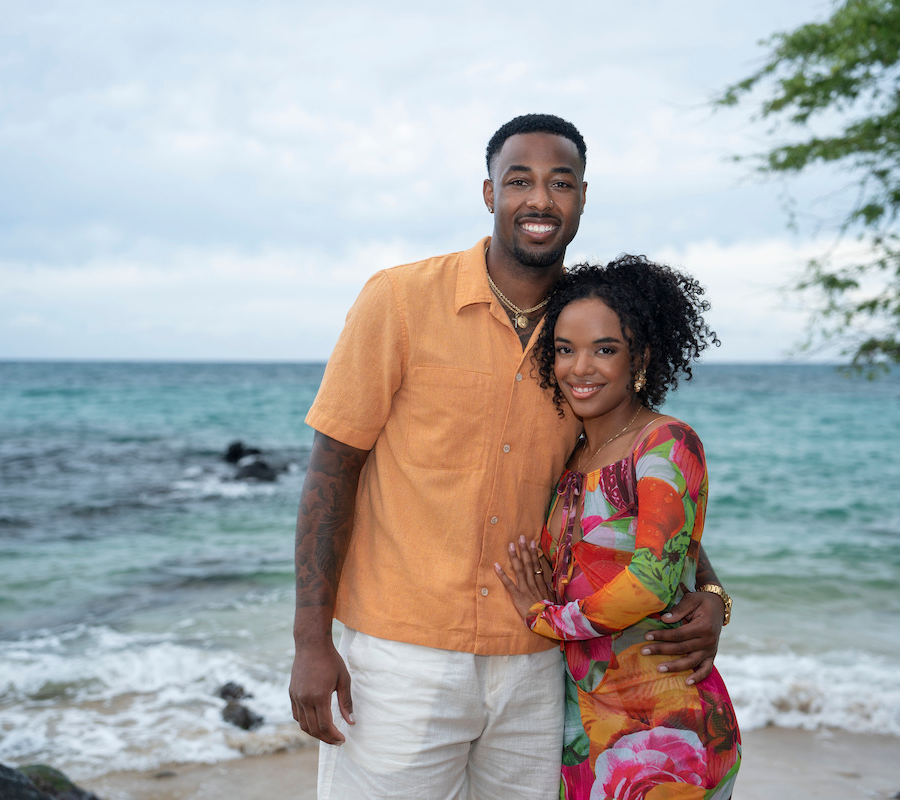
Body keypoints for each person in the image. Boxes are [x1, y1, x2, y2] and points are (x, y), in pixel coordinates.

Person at [289, 114, 734, 799]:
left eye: (560, 183)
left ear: (583, 196)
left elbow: (627, 478)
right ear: (489, 193)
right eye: (519, 180)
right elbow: (331, 470)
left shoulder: (587, 329)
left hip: (538, 664)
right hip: (404, 656)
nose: (540, 200)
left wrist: (709, 593)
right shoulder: (401, 300)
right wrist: (311, 642)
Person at [496, 255, 741, 799]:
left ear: (641, 357)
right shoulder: (574, 455)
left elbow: (653, 579)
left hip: (665, 729)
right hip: (585, 729)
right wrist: (713, 591)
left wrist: (543, 617)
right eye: (565, 350)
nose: (580, 368)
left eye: (604, 349)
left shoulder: (667, 443)